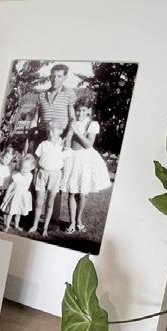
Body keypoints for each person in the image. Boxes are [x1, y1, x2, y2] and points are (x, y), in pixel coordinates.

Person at [60, 97, 111, 234]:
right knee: (72, 192)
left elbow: (89, 144)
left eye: (83, 110)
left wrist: (77, 131)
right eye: (78, 110)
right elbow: (68, 142)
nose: (80, 113)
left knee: (83, 193)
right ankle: (71, 223)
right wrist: (68, 139)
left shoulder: (92, 124)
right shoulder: (73, 123)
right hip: (72, 158)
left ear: (88, 110)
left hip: (86, 160)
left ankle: (79, 220)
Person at [27, 120, 67, 237]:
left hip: (55, 175)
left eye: (53, 131)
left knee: (50, 203)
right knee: (39, 202)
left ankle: (45, 227)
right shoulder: (43, 144)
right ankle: (35, 225)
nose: (50, 133)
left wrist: (63, 178)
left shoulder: (63, 145)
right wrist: (35, 177)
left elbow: (65, 163)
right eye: (48, 131)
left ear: (60, 131)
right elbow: (37, 163)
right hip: (42, 174)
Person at [29, 64, 76, 149]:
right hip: (42, 136)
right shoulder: (42, 95)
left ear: (65, 78)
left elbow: (72, 118)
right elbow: (35, 119)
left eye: (59, 76)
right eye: (53, 76)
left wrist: (69, 136)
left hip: (61, 136)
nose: (55, 79)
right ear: (50, 77)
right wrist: (30, 139)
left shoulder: (69, 94)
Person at [0, 154, 35, 233]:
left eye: (27, 168)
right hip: (15, 195)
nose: (24, 170)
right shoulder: (17, 175)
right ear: (20, 167)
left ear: (31, 168)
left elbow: (27, 186)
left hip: (23, 196)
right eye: (23, 167)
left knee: (19, 212)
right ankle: (7, 226)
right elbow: (10, 187)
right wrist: (6, 196)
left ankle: (16, 225)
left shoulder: (30, 175)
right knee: (11, 212)